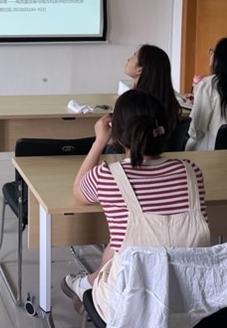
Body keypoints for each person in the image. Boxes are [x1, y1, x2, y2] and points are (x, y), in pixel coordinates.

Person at [60, 89, 210, 322]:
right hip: (188, 300)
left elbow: (79, 190)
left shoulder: (108, 175)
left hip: (127, 303)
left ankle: (85, 285)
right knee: (120, 246)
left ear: (118, 135)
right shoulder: (191, 172)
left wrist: (99, 142)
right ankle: (85, 284)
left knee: (120, 247)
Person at [124, 44, 181, 136]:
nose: (128, 59)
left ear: (140, 70)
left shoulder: (134, 104)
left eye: (132, 57)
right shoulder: (167, 100)